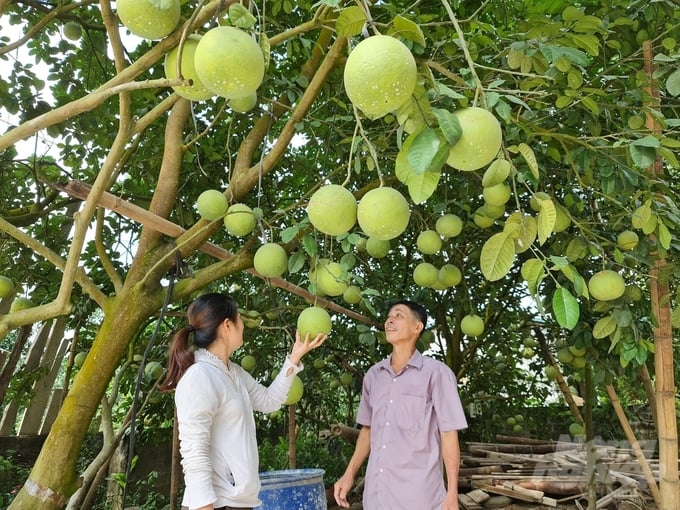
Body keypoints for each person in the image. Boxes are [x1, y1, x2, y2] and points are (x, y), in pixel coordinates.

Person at [159, 292, 327, 510]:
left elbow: (269, 401)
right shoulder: (199, 377)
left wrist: (294, 357)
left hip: (238, 503)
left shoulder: (233, 372)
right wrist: (204, 507)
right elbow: (194, 452)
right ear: (227, 326)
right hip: (215, 505)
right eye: (240, 320)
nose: (244, 326)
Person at [333, 299, 467, 510]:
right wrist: (348, 474)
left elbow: (449, 434)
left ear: (417, 327)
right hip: (377, 497)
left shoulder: (436, 374)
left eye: (398, 316)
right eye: (389, 317)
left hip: (419, 497)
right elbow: (368, 430)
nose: (390, 320)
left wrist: (452, 492)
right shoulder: (374, 376)